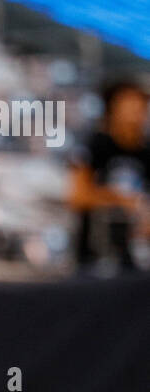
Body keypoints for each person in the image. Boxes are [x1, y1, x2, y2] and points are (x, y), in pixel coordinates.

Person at [69, 81, 150, 271]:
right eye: (128, 106)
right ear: (113, 108)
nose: (135, 114)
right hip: (93, 255)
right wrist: (119, 200)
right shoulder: (95, 145)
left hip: (135, 258)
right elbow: (77, 197)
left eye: (140, 107)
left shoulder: (146, 153)